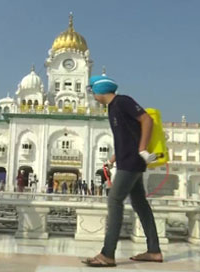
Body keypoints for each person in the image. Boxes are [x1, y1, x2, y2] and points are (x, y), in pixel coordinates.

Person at [84, 75, 162, 267]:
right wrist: (112, 160)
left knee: (115, 200)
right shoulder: (112, 108)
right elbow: (126, 138)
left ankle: (107, 254)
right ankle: (154, 251)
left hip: (132, 162)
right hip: (126, 160)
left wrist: (142, 149)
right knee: (140, 204)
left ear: (100, 91)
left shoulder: (122, 101)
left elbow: (147, 120)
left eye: (92, 90)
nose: (92, 94)